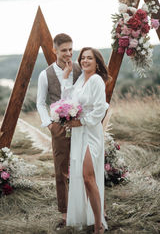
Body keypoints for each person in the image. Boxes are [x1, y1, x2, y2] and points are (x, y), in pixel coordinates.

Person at [61, 47, 110, 234]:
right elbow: (67, 100)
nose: (85, 61)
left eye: (89, 58)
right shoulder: (81, 79)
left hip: (90, 132)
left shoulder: (97, 80)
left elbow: (99, 110)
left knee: (89, 177)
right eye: (83, 58)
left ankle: (99, 225)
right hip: (79, 134)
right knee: (83, 177)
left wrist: (80, 122)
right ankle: (91, 219)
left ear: (97, 62)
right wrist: (66, 77)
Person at [36, 33, 82, 229]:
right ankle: (65, 214)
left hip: (80, 127)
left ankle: (84, 208)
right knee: (61, 170)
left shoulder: (80, 69)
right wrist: (50, 125)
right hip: (59, 129)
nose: (68, 53)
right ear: (54, 50)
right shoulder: (45, 74)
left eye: (71, 49)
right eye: (64, 50)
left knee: (82, 169)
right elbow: (40, 102)